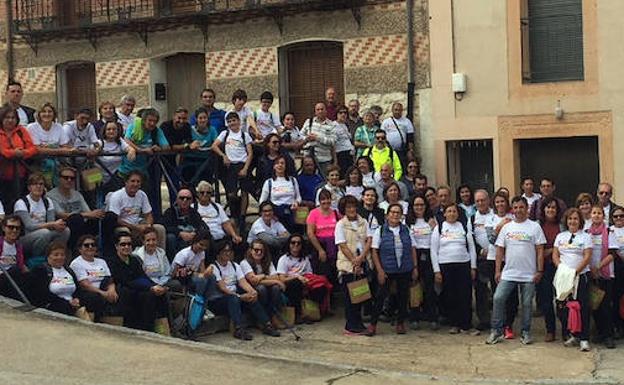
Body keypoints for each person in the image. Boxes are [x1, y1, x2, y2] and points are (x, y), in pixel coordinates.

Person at [485, 196, 545, 345]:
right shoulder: (507, 227)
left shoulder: (535, 227)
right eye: (516, 208)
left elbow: (540, 251)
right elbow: (499, 250)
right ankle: (497, 331)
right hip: (509, 272)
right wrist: (498, 271)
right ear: (512, 209)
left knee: (526, 304)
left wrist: (539, 270)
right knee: (498, 298)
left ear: (527, 209)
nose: (518, 210)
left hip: (529, 274)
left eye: (521, 207)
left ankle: (526, 332)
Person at [209, 241, 280, 340]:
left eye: (229, 251)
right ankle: (239, 328)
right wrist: (240, 297)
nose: (228, 253)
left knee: (251, 297)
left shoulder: (234, 266)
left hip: (235, 296)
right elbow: (223, 288)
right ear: (218, 253)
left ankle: (266, 324)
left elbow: (243, 282)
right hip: (221, 299)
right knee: (233, 298)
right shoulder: (213, 267)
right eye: (225, 251)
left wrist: (252, 291)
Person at [366, 203, 418, 336]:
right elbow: (374, 251)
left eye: (398, 213)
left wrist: (415, 267)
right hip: (387, 269)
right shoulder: (381, 230)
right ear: (387, 215)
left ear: (401, 216)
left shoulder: (406, 229)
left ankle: (400, 323)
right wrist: (380, 270)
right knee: (380, 297)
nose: (395, 215)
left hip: (404, 268)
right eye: (393, 212)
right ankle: (373, 324)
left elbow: (412, 249)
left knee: (403, 296)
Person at [107, 232, 169, 332]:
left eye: (129, 244)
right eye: (123, 244)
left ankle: (166, 327)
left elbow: (143, 276)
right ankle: (145, 329)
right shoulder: (112, 261)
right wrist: (150, 288)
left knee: (160, 294)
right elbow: (125, 280)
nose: (126, 247)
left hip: (138, 288)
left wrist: (156, 286)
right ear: (116, 246)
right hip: (124, 289)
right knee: (148, 295)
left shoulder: (134, 260)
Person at [430, 203, 477, 334]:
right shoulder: (439, 228)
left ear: (458, 213)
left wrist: (473, 267)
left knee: (465, 295)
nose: (451, 213)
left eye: (454, 211)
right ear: (444, 214)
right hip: (445, 265)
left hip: (463, 264)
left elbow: (471, 248)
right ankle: (454, 324)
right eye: (449, 211)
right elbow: (434, 250)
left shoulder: (463, 226)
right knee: (450, 295)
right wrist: (436, 270)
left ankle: (466, 325)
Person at [552, 208, 592, 352]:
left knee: (582, 307)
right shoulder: (561, 236)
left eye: (575, 218)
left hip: (580, 277)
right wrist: (562, 270)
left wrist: (575, 272)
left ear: (580, 221)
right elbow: (555, 255)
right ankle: (573, 334)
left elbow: (587, 256)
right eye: (570, 219)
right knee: (564, 307)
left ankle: (584, 338)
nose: (572, 221)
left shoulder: (585, 237)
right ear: (566, 221)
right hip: (563, 277)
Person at [103, 170, 166, 255]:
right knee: (124, 231)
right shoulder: (117, 196)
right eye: (132, 181)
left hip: (139, 224)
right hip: (123, 225)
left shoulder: (142, 194)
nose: (135, 184)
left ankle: (160, 256)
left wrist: (148, 226)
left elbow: (148, 214)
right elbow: (115, 219)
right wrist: (135, 227)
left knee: (160, 229)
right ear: (126, 182)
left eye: (138, 182)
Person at [46, 166, 104, 252]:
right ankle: (76, 250)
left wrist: (96, 214)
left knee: (99, 218)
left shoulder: (77, 194)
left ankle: (102, 248)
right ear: (59, 179)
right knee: (76, 218)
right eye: (66, 178)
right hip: (64, 225)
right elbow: (60, 214)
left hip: (81, 222)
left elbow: (88, 212)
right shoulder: (50, 195)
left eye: (72, 178)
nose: (69, 180)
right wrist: (86, 215)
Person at [335, 195, 371, 335]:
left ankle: (358, 323)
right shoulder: (340, 224)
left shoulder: (363, 222)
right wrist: (354, 260)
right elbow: (342, 245)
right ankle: (351, 325)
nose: (352, 209)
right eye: (348, 207)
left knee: (360, 295)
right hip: (347, 265)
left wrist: (361, 258)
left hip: (362, 263)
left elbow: (369, 240)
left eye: (353, 206)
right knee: (350, 297)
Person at [211, 111, 254, 226]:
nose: (232, 123)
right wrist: (223, 156)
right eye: (229, 121)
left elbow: (250, 153)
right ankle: (234, 214)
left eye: (234, 120)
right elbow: (214, 146)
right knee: (231, 193)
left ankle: (243, 216)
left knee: (245, 192)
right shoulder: (225, 134)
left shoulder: (245, 135)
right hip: (230, 166)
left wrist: (245, 168)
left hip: (243, 164)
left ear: (239, 121)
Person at [14, 173, 70, 259]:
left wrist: (58, 225)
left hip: (45, 233)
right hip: (25, 237)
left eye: (41, 184)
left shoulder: (47, 201)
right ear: (29, 187)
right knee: (45, 232)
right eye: (35, 184)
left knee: (65, 231)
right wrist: (51, 224)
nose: (38, 186)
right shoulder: (21, 203)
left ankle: (57, 254)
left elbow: (51, 222)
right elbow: (29, 226)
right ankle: (37, 258)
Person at [406, 193, 438, 330]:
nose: (419, 207)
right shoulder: (407, 222)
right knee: (414, 287)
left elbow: (436, 239)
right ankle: (414, 317)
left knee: (430, 288)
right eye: (416, 205)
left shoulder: (431, 220)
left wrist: (434, 226)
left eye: (422, 205)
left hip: (429, 255)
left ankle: (432, 317)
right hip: (414, 255)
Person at [69, 234, 119, 322]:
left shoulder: (101, 261)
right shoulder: (76, 263)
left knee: (120, 292)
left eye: (93, 245)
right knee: (94, 297)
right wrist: (103, 293)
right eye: (86, 245)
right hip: (87, 292)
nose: (90, 247)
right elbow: (84, 284)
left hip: (103, 289)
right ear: (80, 249)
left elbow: (109, 279)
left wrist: (112, 290)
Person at [586, 204, 615, 348]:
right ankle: (599, 332)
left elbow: (612, 254)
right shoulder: (586, 233)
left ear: (603, 216)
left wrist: (598, 267)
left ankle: (608, 335)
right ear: (590, 215)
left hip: (605, 274)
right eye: (594, 213)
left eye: (599, 213)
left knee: (605, 305)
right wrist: (591, 268)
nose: (596, 215)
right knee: (594, 305)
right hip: (591, 273)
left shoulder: (609, 232)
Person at [28, 241, 82, 316]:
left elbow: (78, 289)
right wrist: (67, 302)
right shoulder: (40, 270)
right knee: (65, 307)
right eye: (56, 255)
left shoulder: (69, 270)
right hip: (52, 303)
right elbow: (42, 293)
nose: (59, 257)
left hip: (71, 301)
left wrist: (76, 299)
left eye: (62, 255)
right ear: (48, 256)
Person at [536, 197, 563, 342]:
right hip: (544, 266)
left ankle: (567, 329)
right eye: (548, 207)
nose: (550, 210)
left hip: (560, 267)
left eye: (553, 207)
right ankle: (550, 330)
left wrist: (551, 250)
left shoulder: (563, 225)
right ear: (543, 209)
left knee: (562, 299)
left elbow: (566, 247)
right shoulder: (538, 226)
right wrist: (554, 249)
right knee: (546, 300)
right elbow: (537, 249)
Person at [0, 104, 37, 207]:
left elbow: (33, 148)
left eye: (13, 118)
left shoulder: (21, 131)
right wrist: (13, 153)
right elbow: (2, 151)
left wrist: (23, 153)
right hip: (2, 176)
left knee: (20, 204)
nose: (10, 120)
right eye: (7, 117)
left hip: (21, 176)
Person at [193, 180, 243, 255]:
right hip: (206, 238)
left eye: (208, 192)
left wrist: (234, 235)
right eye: (202, 192)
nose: (205, 194)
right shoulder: (193, 208)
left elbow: (226, 223)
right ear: (198, 194)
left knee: (242, 244)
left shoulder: (217, 207)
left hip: (221, 237)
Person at [27, 103, 71, 186]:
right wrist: (57, 148)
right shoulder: (32, 127)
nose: (47, 114)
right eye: (43, 111)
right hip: (36, 162)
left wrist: (48, 148)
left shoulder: (58, 127)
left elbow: (66, 146)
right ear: (39, 114)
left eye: (50, 111)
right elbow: (37, 149)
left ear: (54, 114)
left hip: (58, 162)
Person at [470, 190, 496, 331]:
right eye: (478, 201)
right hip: (481, 258)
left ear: (488, 200)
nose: (480, 203)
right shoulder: (472, 218)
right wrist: (480, 250)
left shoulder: (495, 215)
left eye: (483, 200)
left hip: (496, 258)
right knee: (481, 291)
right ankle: (484, 320)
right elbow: (471, 238)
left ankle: (500, 320)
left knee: (497, 290)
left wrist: (492, 250)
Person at [240, 239, 285, 320]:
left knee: (276, 288)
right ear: (250, 250)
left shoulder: (268, 262)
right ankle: (262, 316)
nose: (259, 253)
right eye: (256, 250)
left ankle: (272, 315)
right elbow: (253, 281)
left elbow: (276, 276)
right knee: (261, 288)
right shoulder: (244, 263)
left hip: (268, 287)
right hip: (252, 289)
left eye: (262, 250)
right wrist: (274, 281)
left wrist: (261, 276)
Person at [276, 234, 313, 323]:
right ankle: (297, 314)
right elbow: (282, 279)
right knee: (296, 283)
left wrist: (305, 280)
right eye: (293, 242)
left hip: (304, 281)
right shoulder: (283, 259)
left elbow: (309, 274)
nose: (295, 245)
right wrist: (296, 277)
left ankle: (314, 312)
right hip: (289, 284)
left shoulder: (305, 259)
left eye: (298, 243)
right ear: (289, 244)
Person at [259, 155, 301, 232]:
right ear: (274, 166)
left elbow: (298, 197)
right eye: (277, 163)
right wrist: (271, 215)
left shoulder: (293, 180)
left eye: (282, 163)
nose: (280, 165)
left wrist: (296, 202)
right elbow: (262, 201)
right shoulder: (269, 182)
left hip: (291, 213)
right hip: (276, 214)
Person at [162, 187, 208, 257]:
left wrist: (194, 234)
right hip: (177, 238)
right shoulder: (170, 212)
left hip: (192, 238)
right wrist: (180, 233)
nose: (185, 200)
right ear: (177, 200)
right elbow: (164, 226)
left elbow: (201, 226)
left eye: (188, 198)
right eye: (182, 198)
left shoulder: (194, 213)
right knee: (170, 238)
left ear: (191, 201)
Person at [171, 231, 214, 303]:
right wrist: (197, 274)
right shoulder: (184, 254)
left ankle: (207, 302)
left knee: (212, 277)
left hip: (194, 275)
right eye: (201, 244)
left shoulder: (202, 253)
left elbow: (202, 269)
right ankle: (197, 302)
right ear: (195, 242)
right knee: (201, 280)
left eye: (205, 246)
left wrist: (206, 273)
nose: (203, 248)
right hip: (182, 277)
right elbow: (176, 272)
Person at [181, 106, 218, 186]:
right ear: (196, 119)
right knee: (188, 179)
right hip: (191, 160)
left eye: (205, 118)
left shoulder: (212, 130)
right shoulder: (190, 130)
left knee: (206, 179)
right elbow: (185, 143)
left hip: (206, 160)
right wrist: (190, 145)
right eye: (200, 118)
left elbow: (216, 143)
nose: (203, 120)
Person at [307, 189, 339, 283]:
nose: (326, 201)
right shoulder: (313, 213)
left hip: (335, 246)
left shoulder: (336, 213)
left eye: (328, 199)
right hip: (320, 246)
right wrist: (320, 250)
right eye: (323, 199)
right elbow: (310, 233)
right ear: (319, 201)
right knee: (323, 274)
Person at [97, 121, 135, 193]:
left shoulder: (120, 141)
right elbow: (91, 151)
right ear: (104, 131)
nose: (111, 131)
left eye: (114, 129)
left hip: (115, 177)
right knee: (98, 199)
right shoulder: (99, 142)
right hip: (98, 176)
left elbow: (129, 148)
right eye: (109, 129)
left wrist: (131, 151)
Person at [301, 102, 337, 177]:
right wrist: (307, 138)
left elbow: (333, 141)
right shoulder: (309, 122)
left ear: (326, 111)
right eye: (318, 109)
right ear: (315, 112)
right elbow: (300, 136)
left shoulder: (332, 124)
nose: (320, 111)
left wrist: (317, 138)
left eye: (322, 109)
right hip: (309, 158)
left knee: (324, 180)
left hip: (324, 159)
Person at [0, 215, 28, 301]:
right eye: (11, 227)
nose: (14, 230)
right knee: (15, 270)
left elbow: (21, 266)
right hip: (2, 277)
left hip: (13, 279)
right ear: (4, 228)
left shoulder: (18, 246)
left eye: (17, 228)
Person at [380, 102, 415, 168]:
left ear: (402, 111)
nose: (397, 112)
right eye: (396, 110)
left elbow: (410, 138)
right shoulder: (386, 122)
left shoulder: (407, 121)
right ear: (392, 110)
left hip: (402, 151)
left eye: (399, 110)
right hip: (388, 150)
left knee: (401, 167)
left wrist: (410, 150)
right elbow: (381, 136)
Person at [608, 206, 624, 340]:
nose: (619, 218)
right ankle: (617, 326)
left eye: (621, 216)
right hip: (616, 268)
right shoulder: (609, 231)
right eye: (616, 216)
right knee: (616, 299)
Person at [334, 106, 355, 178]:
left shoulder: (345, 125)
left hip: (349, 154)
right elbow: (333, 144)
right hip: (341, 154)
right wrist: (335, 160)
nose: (343, 114)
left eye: (345, 113)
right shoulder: (334, 125)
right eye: (340, 113)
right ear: (336, 114)